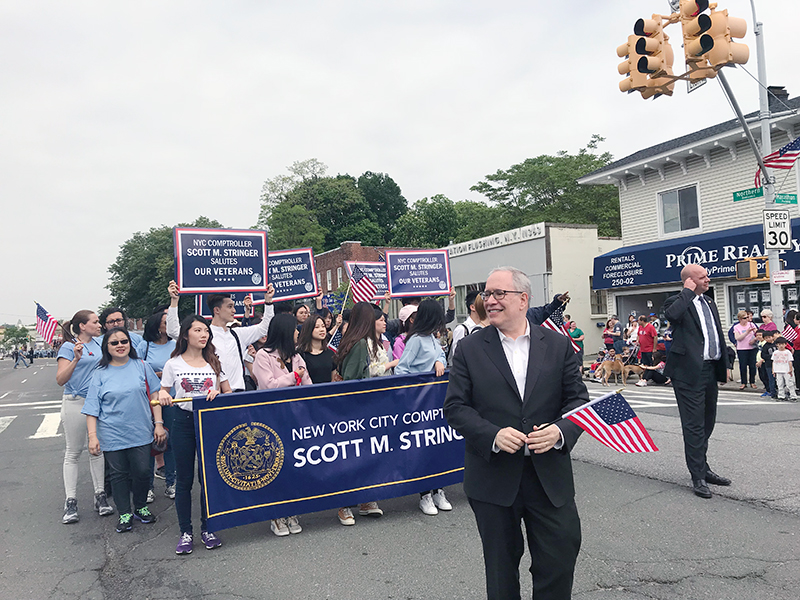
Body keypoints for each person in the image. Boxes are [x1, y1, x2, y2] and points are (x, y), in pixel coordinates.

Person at [444, 267, 588, 600]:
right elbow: (455, 408)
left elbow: (578, 400)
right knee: (501, 570)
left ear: (523, 299)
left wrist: (560, 431)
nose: (489, 301)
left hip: (548, 477)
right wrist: (492, 435)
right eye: (487, 294)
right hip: (494, 479)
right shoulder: (469, 349)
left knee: (560, 556)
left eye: (498, 294)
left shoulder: (557, 344)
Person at [159, 315, 231, 555]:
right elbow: (163, 392)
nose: (204, 335)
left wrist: (217, 394)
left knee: (207, 478)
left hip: (209, 423)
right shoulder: (174, 364)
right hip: (182, 422)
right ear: (186, 334)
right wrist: (163, 397)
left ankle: (208, 527)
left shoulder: (214, 362)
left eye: (206, 331)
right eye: (198, 330)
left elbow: (227, 392)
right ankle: (185, 532)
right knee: (185, 480)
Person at [82, 327, 166, 533]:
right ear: (107, 347)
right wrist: (93, 437)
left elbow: (155, 396)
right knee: (118, 475)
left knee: (142, 471)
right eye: (114, 343)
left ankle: (140, 506)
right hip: (112, 433)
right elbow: (92, 408)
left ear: (130, 344)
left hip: (141, 430)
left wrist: (159, 424)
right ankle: (125, 513)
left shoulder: (142, 366)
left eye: (124, 341)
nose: (120, 346)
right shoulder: (99, 374)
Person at [662, 264, 731, 499]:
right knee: (693, 425)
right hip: (688, 372)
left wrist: (725, 364)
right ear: (689, 281)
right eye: (702, 277)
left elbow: (716, 333)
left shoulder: (709, 302)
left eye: (707, 276)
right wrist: (688, 292)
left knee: (707, 421)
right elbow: (672, 316)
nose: (707, 279)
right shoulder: (676, 301)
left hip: (711, 369)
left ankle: (704, 467)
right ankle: (698, 476)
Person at [251, 313, 311, 537]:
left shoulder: (297, 357)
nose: (298, 333)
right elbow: (268, 385)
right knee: (275, 465)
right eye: (295, 329)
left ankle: (292, 510)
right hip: (271, 418)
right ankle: (275, 514)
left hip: (295, 417)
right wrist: (294, 376)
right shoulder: (263, 356)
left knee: (294, 464)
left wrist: (299, 379)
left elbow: (308, 384)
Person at [56, 310, 113, 523]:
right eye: (95, 322)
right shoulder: (68, 347)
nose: (99, 325)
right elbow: (60, 379)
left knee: (97, 450)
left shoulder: (100, 344)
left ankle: (100, 496)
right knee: (73, 452)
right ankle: (70, 501)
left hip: (98, 404)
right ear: (82, 326)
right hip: (75, 401)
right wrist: (76, 359)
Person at [166, 281, 275, 392]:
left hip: (238, 394)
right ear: (216, 310)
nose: (234, 310)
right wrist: (174, 301)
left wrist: (269, 301)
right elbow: (172, 331)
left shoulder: (238, 334)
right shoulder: (204, 334)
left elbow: (265, 327)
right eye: (230, 306)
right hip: (213, 394)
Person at [395, 300, 450, 516]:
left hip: (435, 403)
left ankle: (439, 489)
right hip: (419, 404)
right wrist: (418, 384)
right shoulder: (416, 340)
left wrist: (439, 362)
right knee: (423, 448)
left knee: (437, 446)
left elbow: (441, 356)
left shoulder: (432, 339)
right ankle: (424, 494)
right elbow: (401, 370)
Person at [334, 302, 387, 525]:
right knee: (351, 457)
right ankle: (344, 504)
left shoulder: (356, 342)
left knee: (364, 456)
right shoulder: (358, 345)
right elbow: (353, 381)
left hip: (362, 410)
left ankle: (365, 499)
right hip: (355, 410)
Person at [142, 310, 178, 501]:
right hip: (150, 401)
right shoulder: (144, 346)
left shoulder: (177, 345)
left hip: (172, 400)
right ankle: (147, 486)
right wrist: (158, 376)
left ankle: (171, 483)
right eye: (166, 323)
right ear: (157, 326)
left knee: (170, 442)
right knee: (149, 443)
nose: (169, 326)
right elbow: (138, 371)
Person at [297, 315, 336, 384]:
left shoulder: (330, 353)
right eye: (317, 327)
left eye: (323, 326)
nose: (322, 329)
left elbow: (333, 378)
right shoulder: (300, 354)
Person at [733, 310, 758, 390]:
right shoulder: (736, 327)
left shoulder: (751, 324)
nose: (746, 319)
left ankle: (752, 381)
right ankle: (744, 382)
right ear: (740, 319)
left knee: (752, 365)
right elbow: (738, 338)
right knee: (743, 366)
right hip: (742, 348)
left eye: (747, 317)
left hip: (752, 348)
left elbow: (758, 335)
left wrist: (755, 335)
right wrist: (747, 332)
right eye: (744, 318)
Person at [772, 336, 798, 402]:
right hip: (778, 370)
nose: (781, 346)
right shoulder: (775, 353)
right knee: (779, 384)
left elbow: (790, 361)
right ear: (777, 345)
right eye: (779, 344)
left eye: (783, 344)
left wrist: (790, 369)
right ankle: (781, 396)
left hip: (786, 370)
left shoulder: (787, 352)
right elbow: (773, 361)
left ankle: (793, 396)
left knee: (789, 383)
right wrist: (773, 370)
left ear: (785, 344)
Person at [756, 329, 777, 399]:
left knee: (780, 379)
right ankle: (772, 392)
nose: (768, 339)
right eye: (766, 338)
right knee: (771, 378)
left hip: (778, 364)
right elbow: (763, 355)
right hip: (769, 364)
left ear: (773, 337)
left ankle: (781, 391)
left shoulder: (776, 344)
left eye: (769, 337)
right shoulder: (765, 346)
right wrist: (772, 357)